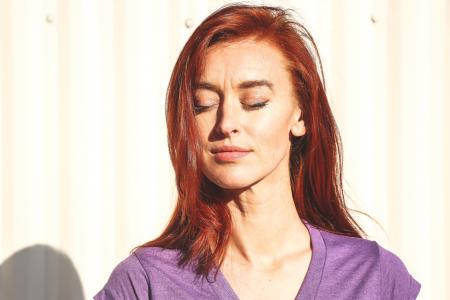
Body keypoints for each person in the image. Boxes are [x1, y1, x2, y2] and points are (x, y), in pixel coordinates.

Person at [94, 4, 421, 299]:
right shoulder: (146, 283)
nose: (226, 123)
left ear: (301, 114)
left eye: (254, 102)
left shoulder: (373, 277)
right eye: (203, 104)